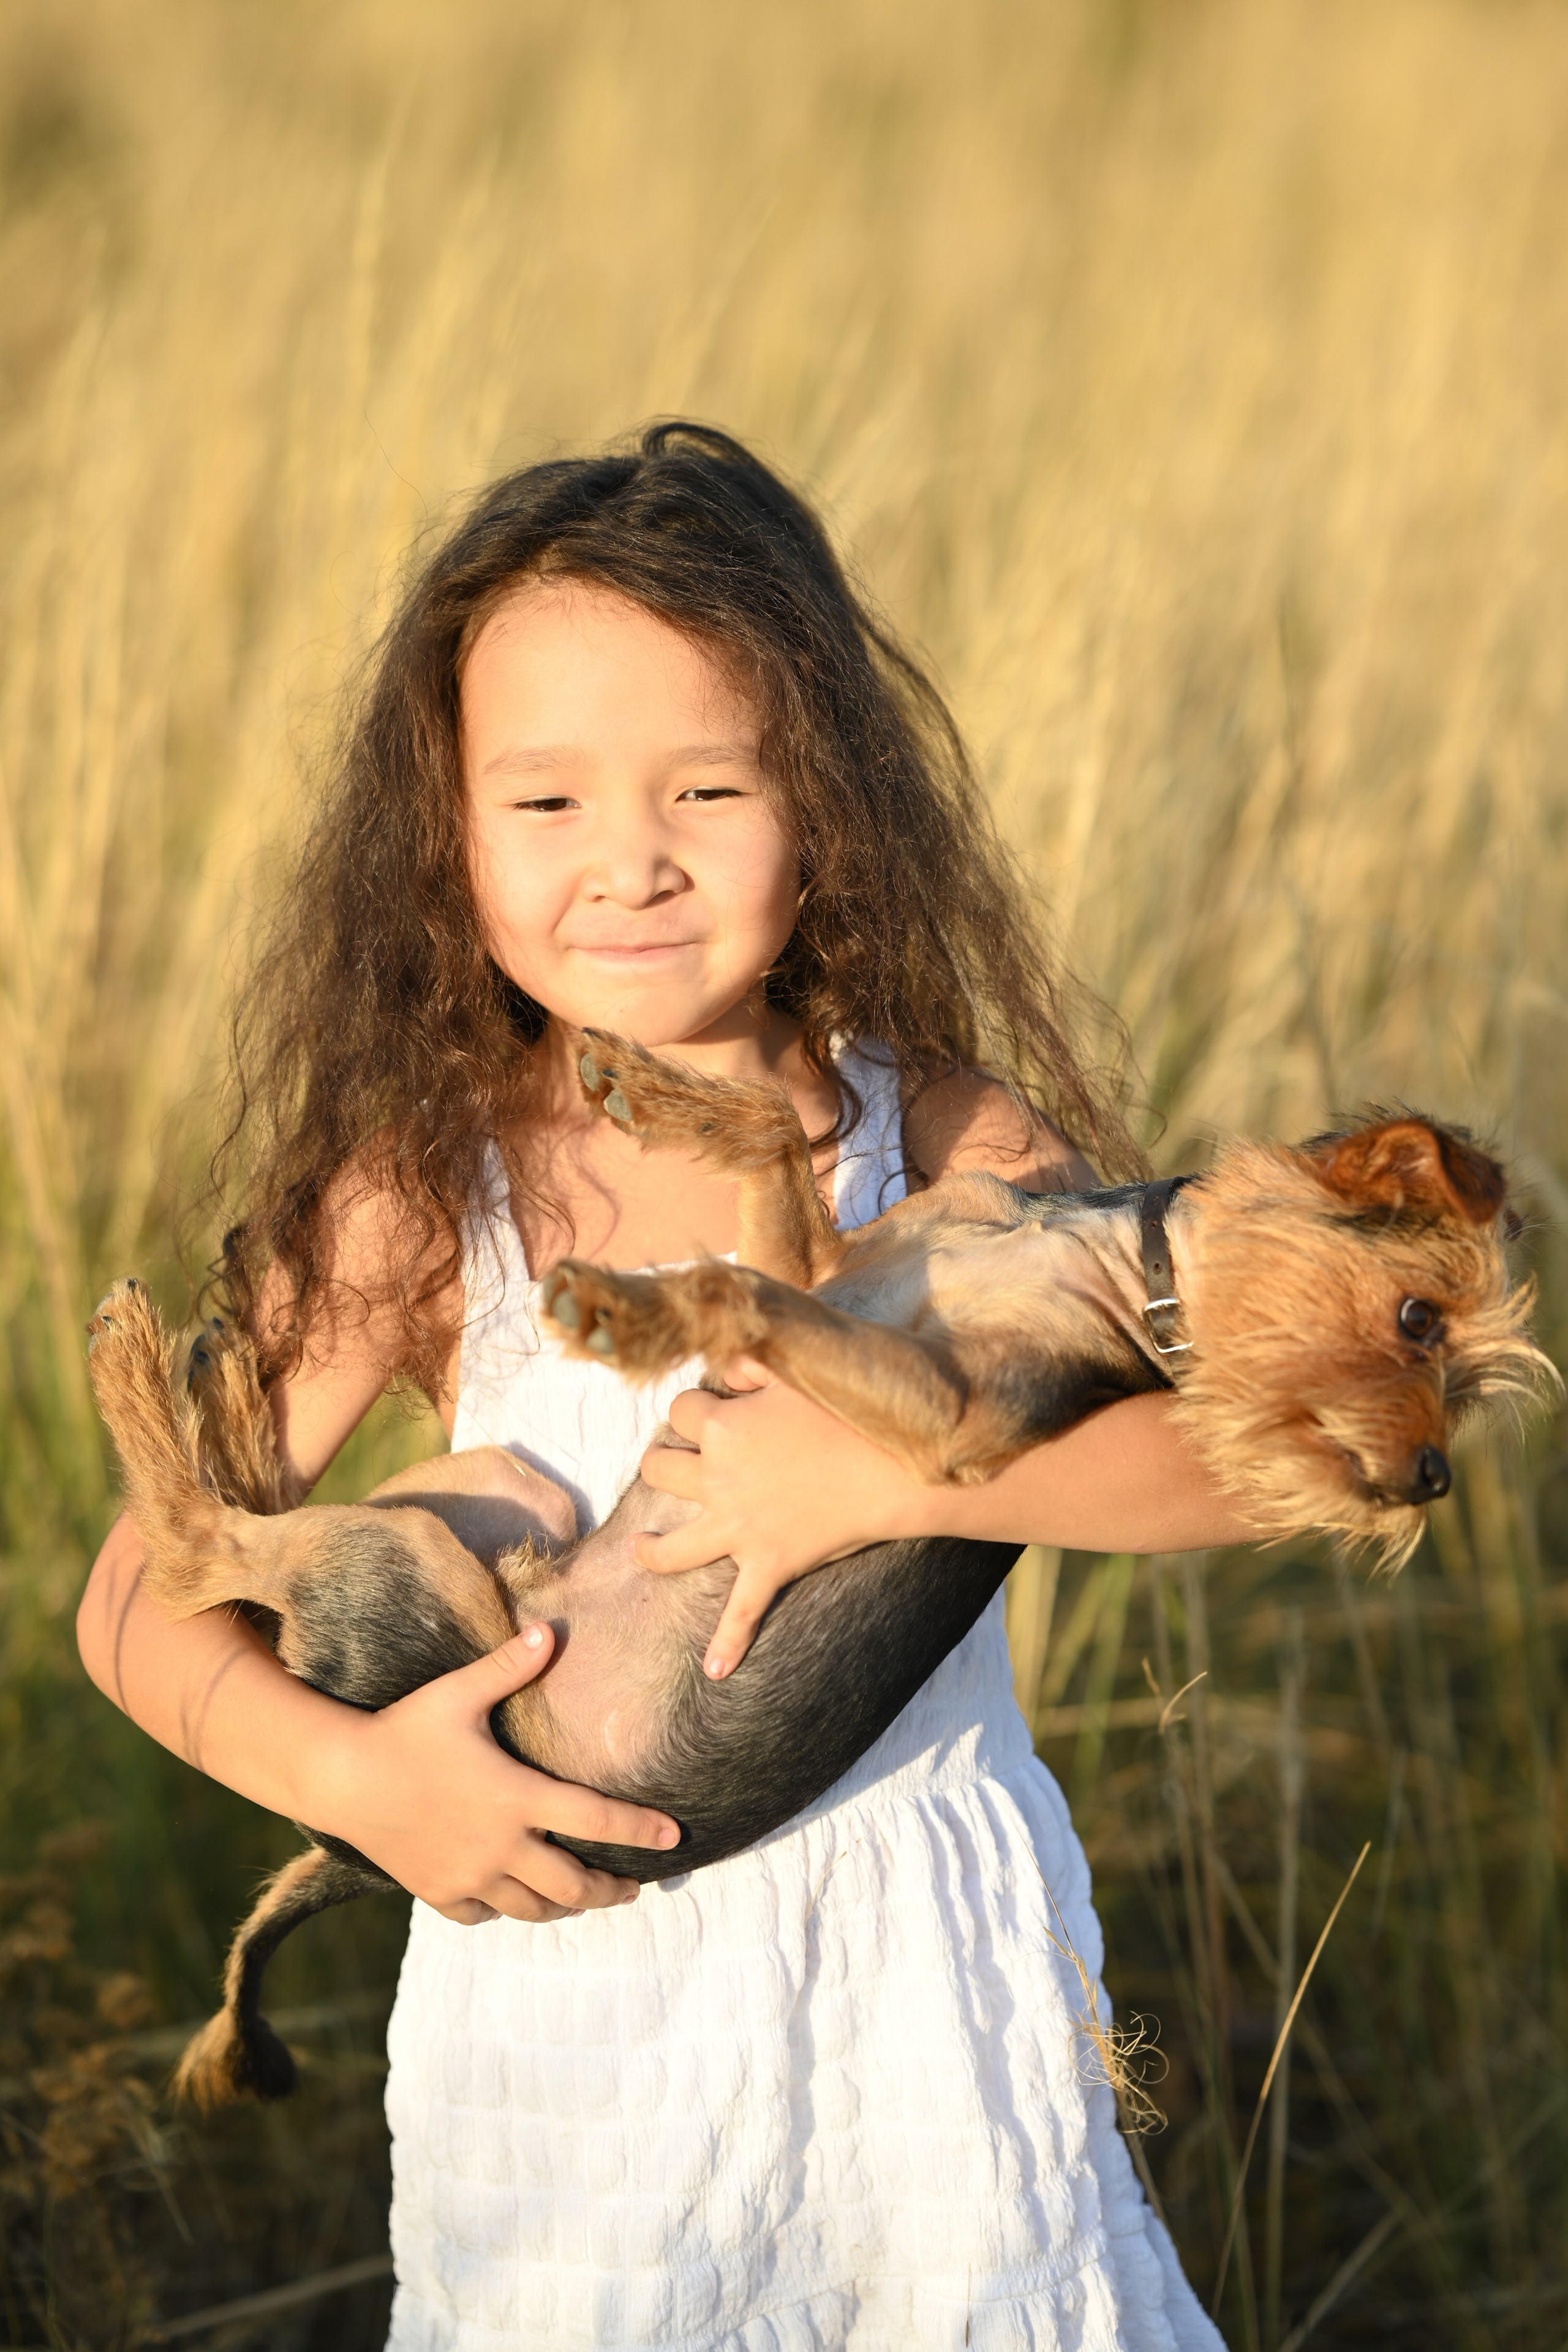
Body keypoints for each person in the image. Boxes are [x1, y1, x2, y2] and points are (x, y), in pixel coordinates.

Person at [78, 423, 1251, 2348]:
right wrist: (356, 1780)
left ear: (831, 809)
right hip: (574, 2050)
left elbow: (1221, 1466)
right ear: (445, 836)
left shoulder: (945, 1148)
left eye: (710, 786)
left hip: (924, 2023)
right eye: (543, 802)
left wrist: (900, 1484)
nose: (629, 859)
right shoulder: (423, 1189)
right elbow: (131, 1601)